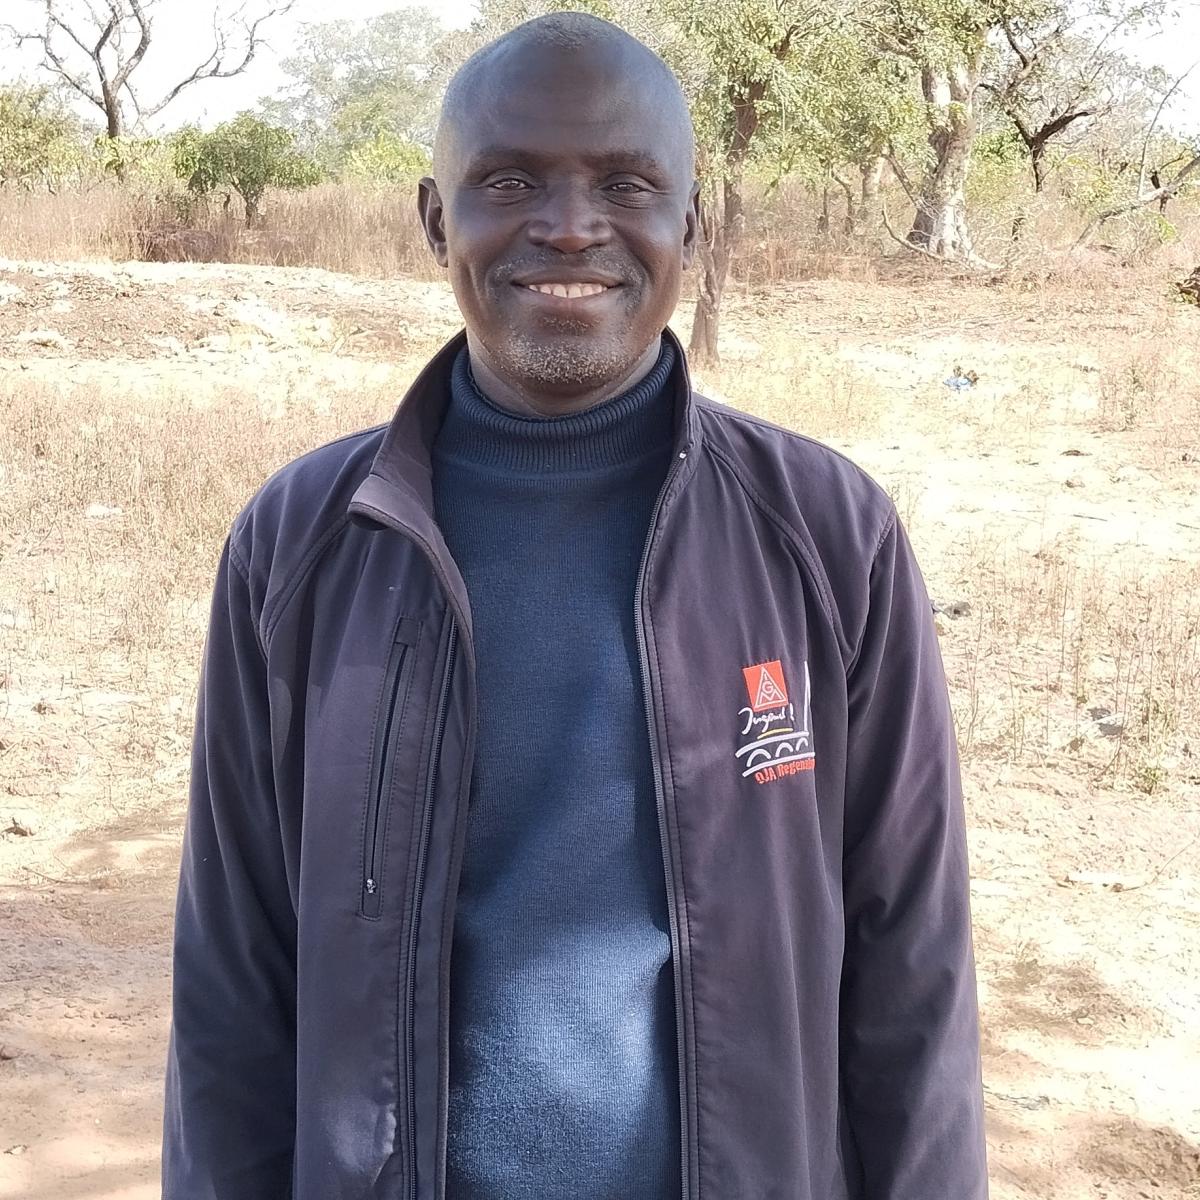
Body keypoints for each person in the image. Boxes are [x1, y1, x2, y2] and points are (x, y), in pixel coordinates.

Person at [161, 12, 989, 1200]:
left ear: (690, 224)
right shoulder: (299, 544)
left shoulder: (828, 535)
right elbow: (235, 982)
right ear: (435, 217)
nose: (568, 225)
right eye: (509, 179)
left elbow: (914, 967)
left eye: (625, 182)